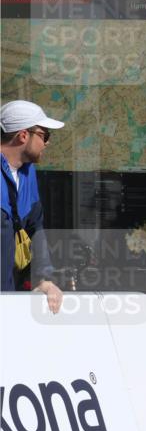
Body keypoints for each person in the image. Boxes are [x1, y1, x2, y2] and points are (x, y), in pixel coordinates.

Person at [1, 100, 63, 314]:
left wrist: (44, 279)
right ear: (23, 135)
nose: (47, 142)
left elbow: (35, 229)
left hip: (9, 299)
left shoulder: (28, 172)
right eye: (44, 135)